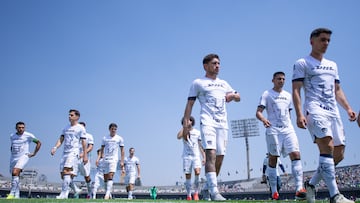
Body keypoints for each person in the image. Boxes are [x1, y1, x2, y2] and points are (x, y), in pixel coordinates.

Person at [292, 28, 357, 203]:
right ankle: (335, 195)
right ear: (311, 41)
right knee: (327, 146)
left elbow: (337, 90)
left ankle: (311, 185)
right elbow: (296, 90)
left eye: (328, 40)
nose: (326, 43)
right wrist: (299, 114)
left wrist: (348, 108)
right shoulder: (302, 63)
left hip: (333, 111)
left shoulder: (333, 65)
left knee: (339, 153)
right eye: (322, 39)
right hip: (314, 109)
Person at [182, 53, 240, 201]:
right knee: (211, 154)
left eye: (219, 63)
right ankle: (215, 192)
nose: (217, 66)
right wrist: (186, 126)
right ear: (205, 66)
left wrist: (233, 96)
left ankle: (207, 187)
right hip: (208, 122)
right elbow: (189, 104)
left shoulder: (224, 83)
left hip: (222, 123)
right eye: (214, 63)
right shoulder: (198, 83)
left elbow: (238, 96)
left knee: (220, 157)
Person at [256, 71, 306, 200]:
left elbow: (289, 113)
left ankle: (299, 188)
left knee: (296, 154)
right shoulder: (267, 94)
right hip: (273, 130)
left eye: (283, 79)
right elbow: (258, 112)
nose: (281, 81)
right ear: (273, 80)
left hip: (288, 129)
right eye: (279, 79)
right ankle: (274, 191)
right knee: (273, 159)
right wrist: (263, 120)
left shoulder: (288, 95)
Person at [51, 109, 88, 199]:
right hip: (65, 153)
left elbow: (83, 142)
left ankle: (64, 194)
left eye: (71, 115)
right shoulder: (66, 127)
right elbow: (61, 139)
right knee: (63, 174)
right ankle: (75, 189)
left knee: (67, 171)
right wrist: (55, 147)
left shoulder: (80, 128)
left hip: (73, 152)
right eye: (69, 115)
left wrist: (84, 154)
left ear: (77, 117)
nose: (69, 116)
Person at [7, 121, 41, 199]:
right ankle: (17, 195)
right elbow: (12, 146)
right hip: (13, 158)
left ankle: (11, 193)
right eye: (19, 127)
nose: (21, 129)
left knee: (15, 172)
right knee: (15, 176)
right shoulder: (12, 136)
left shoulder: (28, 136)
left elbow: (39, 143)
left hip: (24, 156)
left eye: (23, 127)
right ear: (16, 128)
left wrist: (34, 153)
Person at [177, 116, 205, 201]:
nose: (188, 121)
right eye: (186, 120)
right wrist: (184, 127)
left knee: (197, 172)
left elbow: (200, 146)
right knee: (188, 176)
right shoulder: (183, 132)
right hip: (186, 156)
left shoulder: (197, 132)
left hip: (196, 156)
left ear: (192, 121)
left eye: (189, 120)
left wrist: (204, 156)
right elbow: (178, 137)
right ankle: (189, 195)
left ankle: (196, 193)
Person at [99, 123, 125, 199]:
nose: (113, 130)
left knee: (111, 175)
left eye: (115, 129)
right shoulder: (105, 138)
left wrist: (122, 161)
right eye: (112, 129)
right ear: (109, 129)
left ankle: (107, 194)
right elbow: (102, 148)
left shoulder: (119, 138)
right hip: (106, 159)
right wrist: (101, 157)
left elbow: (122, 150)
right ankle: (108, 193)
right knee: (105, 178)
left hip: (114, 159)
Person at [72, 121, 94, 199]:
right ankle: (75, 191)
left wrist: (83, 154)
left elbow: (90, 147)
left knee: (87, 177)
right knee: (69, 175)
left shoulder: (89, 136)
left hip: (84, 160)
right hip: (74, 158)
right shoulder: (74, 136)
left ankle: (89, 192)